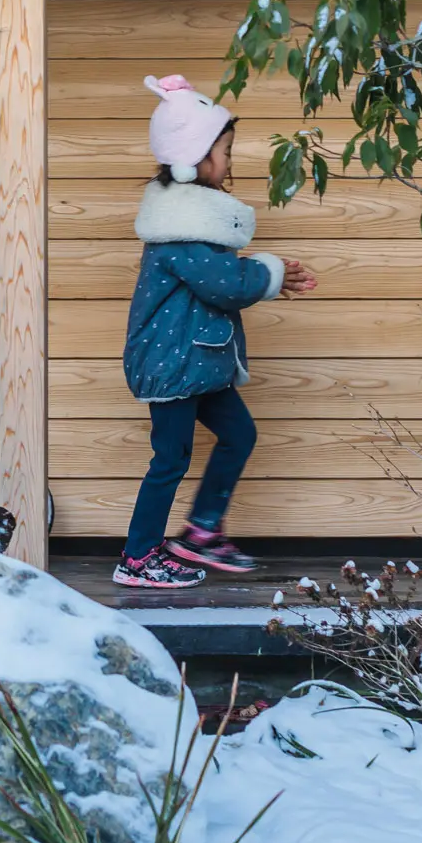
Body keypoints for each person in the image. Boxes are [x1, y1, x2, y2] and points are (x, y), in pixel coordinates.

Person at [114, 75, 317, 588]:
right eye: (224, 152)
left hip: (196, 364)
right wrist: (271, 274)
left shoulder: (191, 225)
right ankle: (137, 558)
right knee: (170, 459)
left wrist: (265, 275)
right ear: (194, 159)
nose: (229, 163)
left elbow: (218, 275)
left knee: (239, 434)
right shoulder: (179, 229)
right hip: (172, 364)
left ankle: (202, 530)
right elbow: (222, 282)